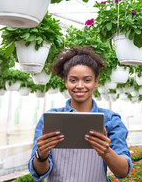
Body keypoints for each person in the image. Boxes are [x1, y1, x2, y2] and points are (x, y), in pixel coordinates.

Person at [28, 46, 132, 181]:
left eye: (87, 80)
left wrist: (106, 152)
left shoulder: (110, 120)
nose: (80, 85)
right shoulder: (50, 119)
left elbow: (123, 171)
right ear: (66, 82)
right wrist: (41, 155)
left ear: (96, 82)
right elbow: (39, 172)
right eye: (73, 80)